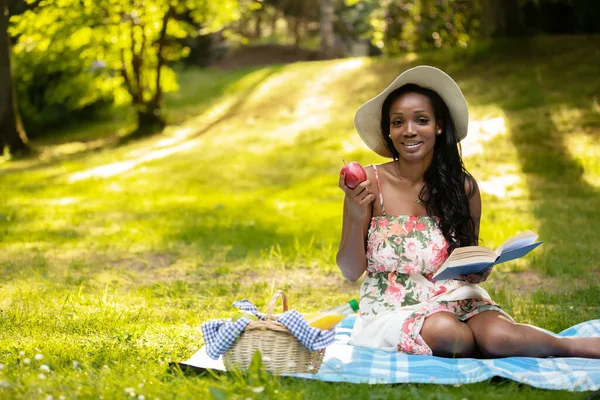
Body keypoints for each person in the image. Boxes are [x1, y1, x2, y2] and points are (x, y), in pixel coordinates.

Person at [336, 65, 600, 358]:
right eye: (398, 122)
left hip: (457, 297)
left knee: (500, 335)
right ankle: (479, 345)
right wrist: (357, 213)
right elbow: (350, 271)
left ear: (439, 126)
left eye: (421, 120)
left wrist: (479, 270)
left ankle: (575, 347)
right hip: (392, 308)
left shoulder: (463, 187)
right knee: (448, 333)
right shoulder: (369, 183)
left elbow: (466, 256)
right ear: (389, 130)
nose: (408, 130)